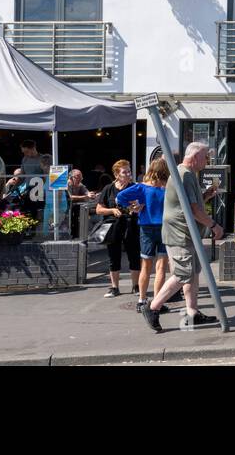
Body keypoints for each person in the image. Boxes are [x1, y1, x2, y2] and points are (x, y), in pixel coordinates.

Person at [141, 142, 224, 333]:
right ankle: (152, 307)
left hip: (187, 234)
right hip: (180, 234)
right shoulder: (185, 175)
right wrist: (214, 225)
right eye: (205, 157)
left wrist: (205, 196)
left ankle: (192, 313)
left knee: (192, 273)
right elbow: (193, 210)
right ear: (195, 157)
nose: (207, 161)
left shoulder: (186, 173)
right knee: (182, 274)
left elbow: (188, 204)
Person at [117, 158, 171, 311]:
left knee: (146, 265)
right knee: (161, 267)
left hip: (146, 228)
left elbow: (120, 197)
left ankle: (141, 300)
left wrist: (132, 207)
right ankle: (157, 303)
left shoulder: (141, 188)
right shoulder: (168, 188)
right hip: (164, 227)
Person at [95, 160, 142, 298]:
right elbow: (99, 210)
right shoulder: (108, 189)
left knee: (134, 255)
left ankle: (136, 286)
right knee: (113, 256)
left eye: (129, 171)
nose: (128, 174)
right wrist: (112, 210)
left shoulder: (135, 187)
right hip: (113, 226)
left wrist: (136, 208)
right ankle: (114, 287)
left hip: (131, 225)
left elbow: (142, 206)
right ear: (116, 174)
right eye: (124, 172)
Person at [66, 168, 96, 238]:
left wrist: (91, 194)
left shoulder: (79, 184)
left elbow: (86, 191)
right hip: (67, 208)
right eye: (78, 178)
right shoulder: (68, 184)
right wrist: (85, 196)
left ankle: (77, 235)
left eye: (81, 178)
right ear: (71, 177)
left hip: (75, 207)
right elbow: (71, 197)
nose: (80, 180)